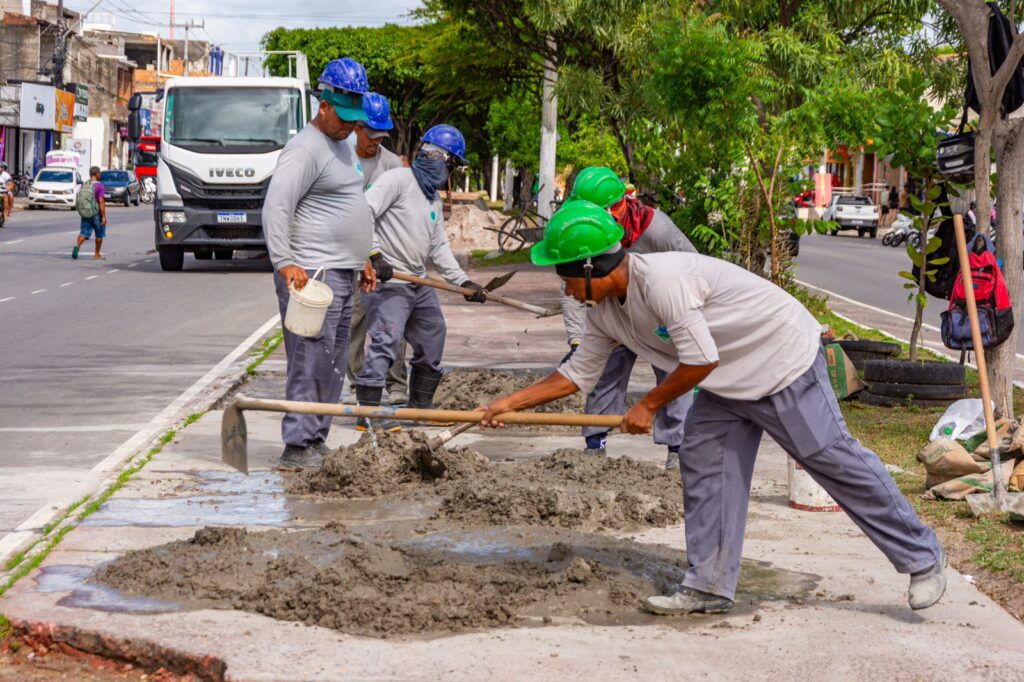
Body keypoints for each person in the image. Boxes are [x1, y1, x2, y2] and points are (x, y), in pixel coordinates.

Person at [480, 200, 947, 616]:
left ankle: (923, 557)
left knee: (831, 458)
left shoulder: (663, 283)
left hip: (780, 359)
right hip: (726, 380)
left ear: (590, 267)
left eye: (565, 279)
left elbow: (700, 359)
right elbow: (576, 374)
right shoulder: (603, 311)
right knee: (704, 463)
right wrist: (509, 404)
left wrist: (649, 405)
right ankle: (708, 586)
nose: (565, 291)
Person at [263, 57, 377, 471]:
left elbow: (352, 203)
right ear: (323, 105)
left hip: (342, 270)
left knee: (333, 362)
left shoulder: (343, 146)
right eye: (343, 117)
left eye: (354, 119)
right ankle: (297, 445)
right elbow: (277, 206)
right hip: (311, 273)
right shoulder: (304, 149)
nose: (349, 126)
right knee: (310, 359)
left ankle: (316, 439)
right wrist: (284, 261)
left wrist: (363, 258)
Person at [560, 167, 696, 469]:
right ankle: (595, 444)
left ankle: (678, 449)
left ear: (618, 207)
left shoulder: (658, 231)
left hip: (660, 314)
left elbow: (695, 270)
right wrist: (577, 338)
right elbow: (570, 283)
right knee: (604, 372)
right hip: (616, 311)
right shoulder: (586, 231)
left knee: (673, 375)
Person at [355, 124, 487, 430]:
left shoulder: (433, 200)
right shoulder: (397, 181)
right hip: (390, 281)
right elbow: (363, 212)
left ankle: (420, 406)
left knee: (433, 334)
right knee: (386, 342)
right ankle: (368, 412)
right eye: (452, 166)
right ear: (437, 158)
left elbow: (438, 247)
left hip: (417, 281)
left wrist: (463, 282)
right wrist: (374, 255)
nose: (450, 173)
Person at [345, 92, 409, 406]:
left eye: (380, 137)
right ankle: (357, 382)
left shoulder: (392, 164)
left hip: (384, 255)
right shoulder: (339, 157)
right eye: (371, 135)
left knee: (391, 321)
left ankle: (396, 382)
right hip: (349, 253)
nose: (375, 142)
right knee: (354, 320)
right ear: (357, 128)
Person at [72, 167, 107, 260]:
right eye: (99, 173)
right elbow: (101, 201)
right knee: (99, 234)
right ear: (97, 174)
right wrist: (103, 216)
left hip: (86, 212)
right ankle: (97, 254)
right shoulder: (99, 185)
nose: (100, 175)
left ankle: (77, 246)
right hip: (96, 214)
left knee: (84, 232)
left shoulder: (84, 184)